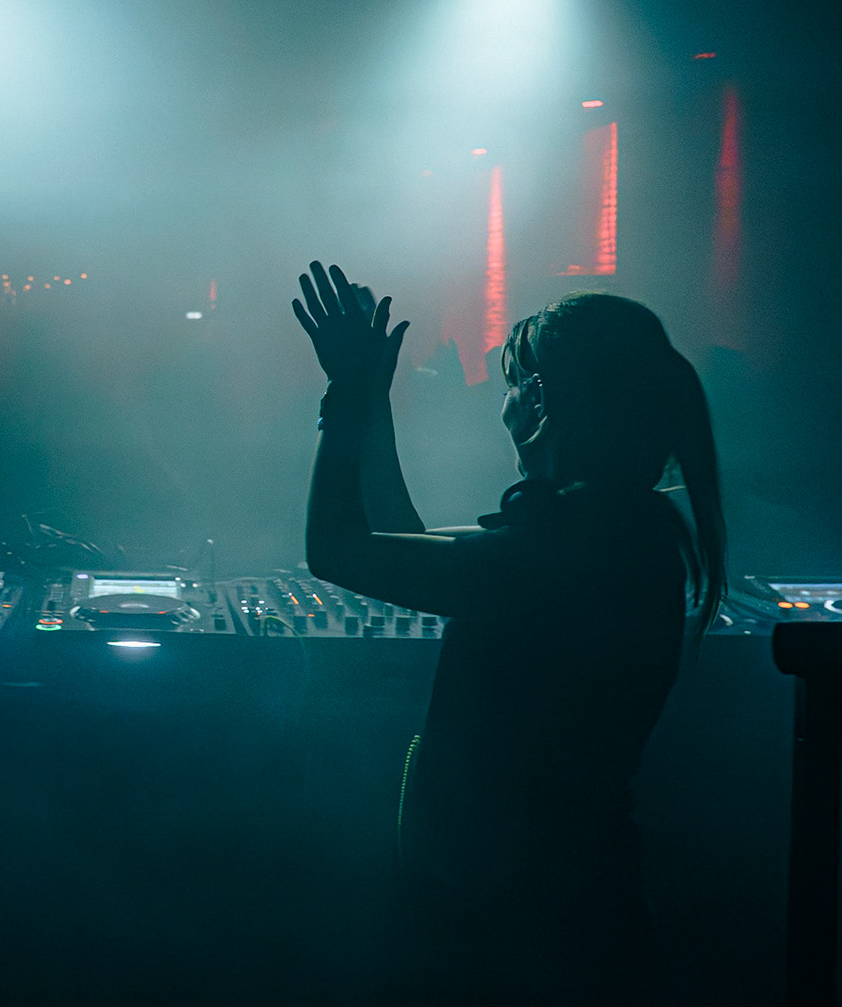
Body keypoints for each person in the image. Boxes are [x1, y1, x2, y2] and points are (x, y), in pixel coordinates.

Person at [292, 262, 725, 1004]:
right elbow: (401, 537)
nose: (501, 406)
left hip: (523, 930)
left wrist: (346, 399)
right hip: (551, 909)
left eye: (511, 384)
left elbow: (340, 550)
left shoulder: (573, 548)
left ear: (542, 401)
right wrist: (371, 400)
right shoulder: (608, 531)